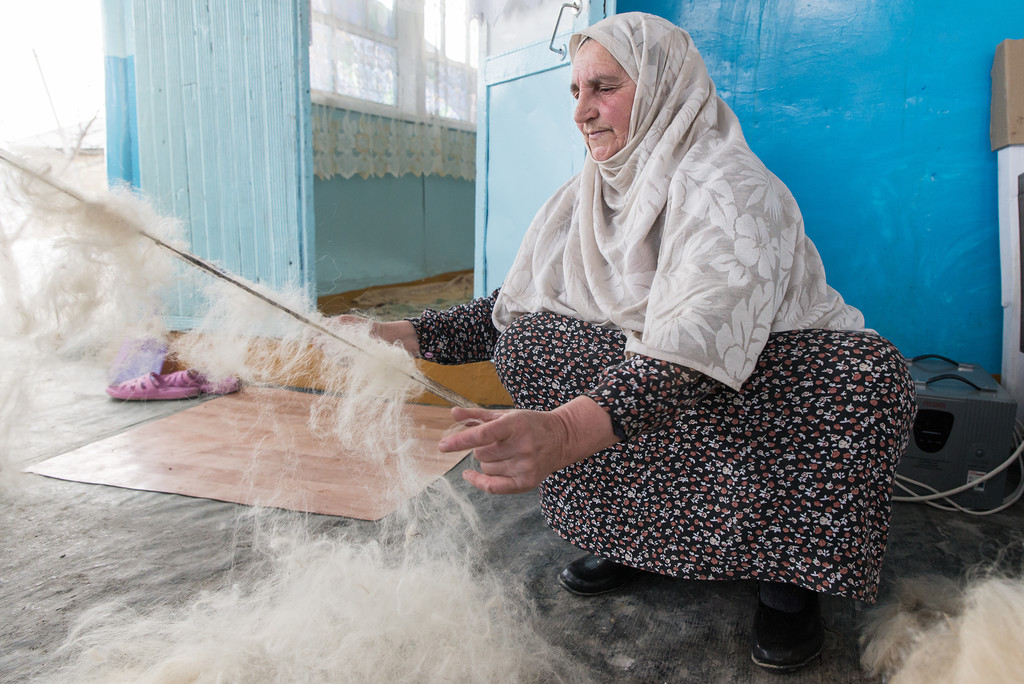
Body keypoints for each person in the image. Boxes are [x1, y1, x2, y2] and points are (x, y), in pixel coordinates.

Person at [337, 12, 915, 673]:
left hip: (749, 385)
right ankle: (630, 537)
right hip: (646, 398)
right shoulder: (582, 200)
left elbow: (696, 339)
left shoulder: (734, 189)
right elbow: (512, 307)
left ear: (666, 87)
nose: (583, 111)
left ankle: (786, 577)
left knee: (859, 374)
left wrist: (562, 432)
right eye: (576, 92)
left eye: (604, 87)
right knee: (535, 338)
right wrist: (399, 335)